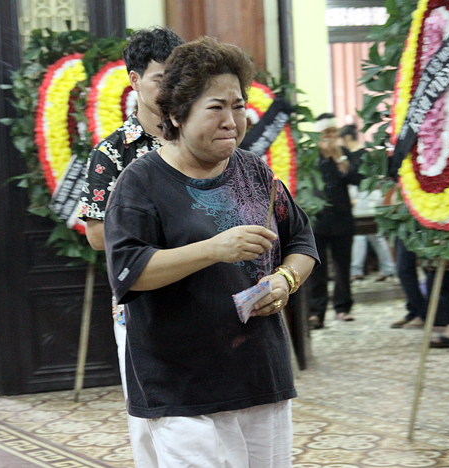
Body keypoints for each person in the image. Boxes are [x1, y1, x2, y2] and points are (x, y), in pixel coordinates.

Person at [104, 37, 319, 467]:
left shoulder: (254, 171)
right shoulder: (140, 183)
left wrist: (285, 280)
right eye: (216, 107)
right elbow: (129, 271)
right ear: (176, 114)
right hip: (181, 384)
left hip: (259, 372)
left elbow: (300, 241)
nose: (231, 120)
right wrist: (213, 248)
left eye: (238, 106)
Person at [78, 27, 184, 468]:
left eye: (177, 77)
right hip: (141, 300)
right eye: (161, 78)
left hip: (202, 290)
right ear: (135, 80)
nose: (171, 87)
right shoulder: (113, 153)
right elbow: (96, 233)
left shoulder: (194, 137)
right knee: (149, 412)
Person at [307, 114, 362, 329]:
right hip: (317, 221)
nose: (330, 137)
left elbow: (356, 178)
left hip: (342, 219)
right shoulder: (310, 156)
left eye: (333, 132)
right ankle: (316, 312)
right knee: (316, 270)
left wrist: (339, 158)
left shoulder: (344, 152)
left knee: (343, 267)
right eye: (326, 133)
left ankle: (342, 308)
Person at [339, 124, 396, 282]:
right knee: (372, 234)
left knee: (362, 233)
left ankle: (357, 270)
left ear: (347, 138)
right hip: (365, 194)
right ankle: (387, 268)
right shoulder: (360, 153)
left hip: (365, 195)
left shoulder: (359, 154)